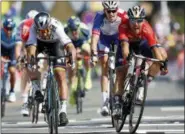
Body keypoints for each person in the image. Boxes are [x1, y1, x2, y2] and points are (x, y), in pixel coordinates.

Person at [113, 5, 168, 116]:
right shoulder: (123, 25)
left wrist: (162, 65)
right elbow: (124, 47)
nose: (136, 24)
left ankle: (143, 81)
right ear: (129, 19)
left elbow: (155, 49)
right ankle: (118, 102)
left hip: (141, 44)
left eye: (139, 20)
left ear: (143, 20)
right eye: (133, 20)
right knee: (120, 72)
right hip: (126, 44)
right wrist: (127, 59)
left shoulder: (147, 28)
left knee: (158, 58)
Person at [25, 12, 76, 126]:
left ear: (50, 26)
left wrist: (72, 58)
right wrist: (32, 61)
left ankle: (63, 111)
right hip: (40, 44)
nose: (43, 33)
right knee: (30, 59)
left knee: (60, 74)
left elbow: (69, 45)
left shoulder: (56, 26)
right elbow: (32, 46)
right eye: (40, 31)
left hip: (55, 45)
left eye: (46, 30)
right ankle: (36, 88)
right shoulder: (33, 27)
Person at [90, 0, 127, 116]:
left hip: (118, 38)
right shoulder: (99, 16)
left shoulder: (123, 15)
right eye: (108, 11)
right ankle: (105, 101)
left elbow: (129, 33)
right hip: (104, 39)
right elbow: (95, 38)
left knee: (122, 66)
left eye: (113, 11)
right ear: (104, 10)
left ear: (117, 9)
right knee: (105, 64)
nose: (111, 14)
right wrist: (94, 54)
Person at [15, 10, 43, 116]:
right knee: (26, 69)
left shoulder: (42, 24)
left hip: (41, 45)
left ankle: (44, 87)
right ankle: (25, 101)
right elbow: (19, 45)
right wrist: (19, 60)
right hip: (27, 46)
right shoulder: (22, 26)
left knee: (43, 66)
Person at [64, 16, 92, 105]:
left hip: (82, 44)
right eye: (72, 30)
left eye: (76, 29)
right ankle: (72, 93)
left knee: (87, 50)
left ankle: (88, 75)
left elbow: (90, 44)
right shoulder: (64, 31)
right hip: (70, 45)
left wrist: (82, 53)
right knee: (70, 70)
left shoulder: (84, 30)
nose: (74, 32)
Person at [1, 18, 17, 102]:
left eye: (11, 29)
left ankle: (12, 91)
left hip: (11, 53)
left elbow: (18, 48)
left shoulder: (15, 36)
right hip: (2, 51)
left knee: (12, 71)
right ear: (4, 28)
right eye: (7, 29)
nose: (9, 31)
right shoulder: (0, 34)